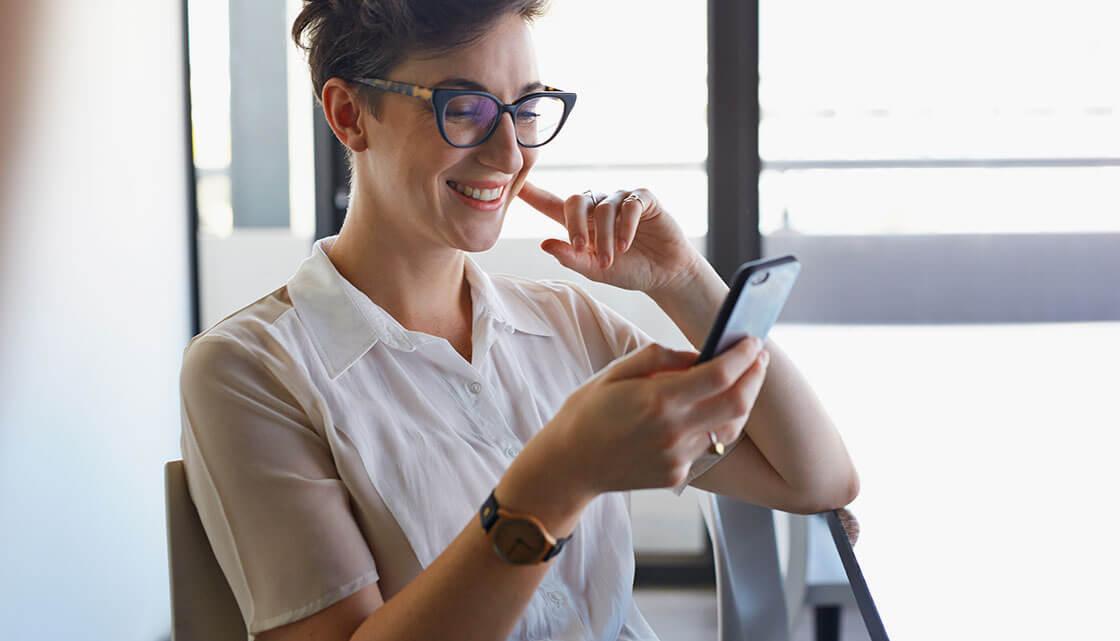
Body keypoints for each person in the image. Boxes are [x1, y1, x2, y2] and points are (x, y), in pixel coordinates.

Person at [178, 2, 861, 640]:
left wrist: (682, 278)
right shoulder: (250, 371)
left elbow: (817, 477)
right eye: (466, 107)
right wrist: (559, 476)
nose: (509, 154)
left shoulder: (564, 323)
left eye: (526, 107)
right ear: (349, 114)